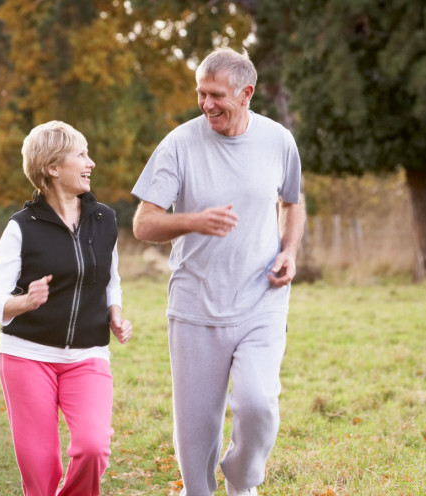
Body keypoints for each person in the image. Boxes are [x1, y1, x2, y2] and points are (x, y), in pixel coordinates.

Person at [130, 47, 306, 496]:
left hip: (260, 301)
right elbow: (143, 223)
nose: (206, 104)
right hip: (195, 306)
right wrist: (193, 221)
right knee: (195, 437)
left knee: (259, 405)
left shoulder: (278, 141)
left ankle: (243, 482)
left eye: (215, 95)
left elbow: (292, 201)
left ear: (246, 93)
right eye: (200, 93)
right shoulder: (179, 144)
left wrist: (289, 249)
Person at [0, 120, 133, 496]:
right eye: (81, 155)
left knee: (93, 448)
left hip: (88, 356)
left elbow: (111, 279)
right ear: (52, 168)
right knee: (41, 468)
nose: (91, 163)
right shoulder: (21, 227)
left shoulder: (105, 221)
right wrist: (25, 301)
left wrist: (115, 311)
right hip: (26, 357)